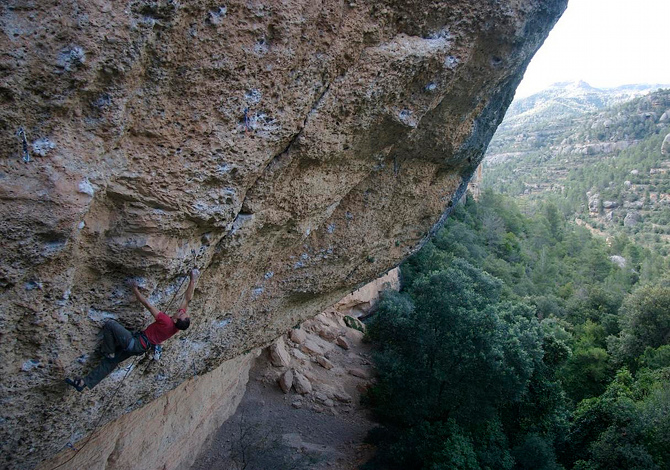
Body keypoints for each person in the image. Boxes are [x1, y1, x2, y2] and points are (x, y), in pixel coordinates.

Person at [65, 269, 200, 392]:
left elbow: (147, 304)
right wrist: (192, 280)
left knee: (110, 325)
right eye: (184, 313)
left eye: (182, 314)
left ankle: (108, 351)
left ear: (177, 320)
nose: (181, 312)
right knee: (111, 363)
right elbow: (187, 300)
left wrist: (134, 288)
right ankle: (83, 383)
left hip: (136, 343)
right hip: (140, 346)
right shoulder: (176, 327)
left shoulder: (166, 321)